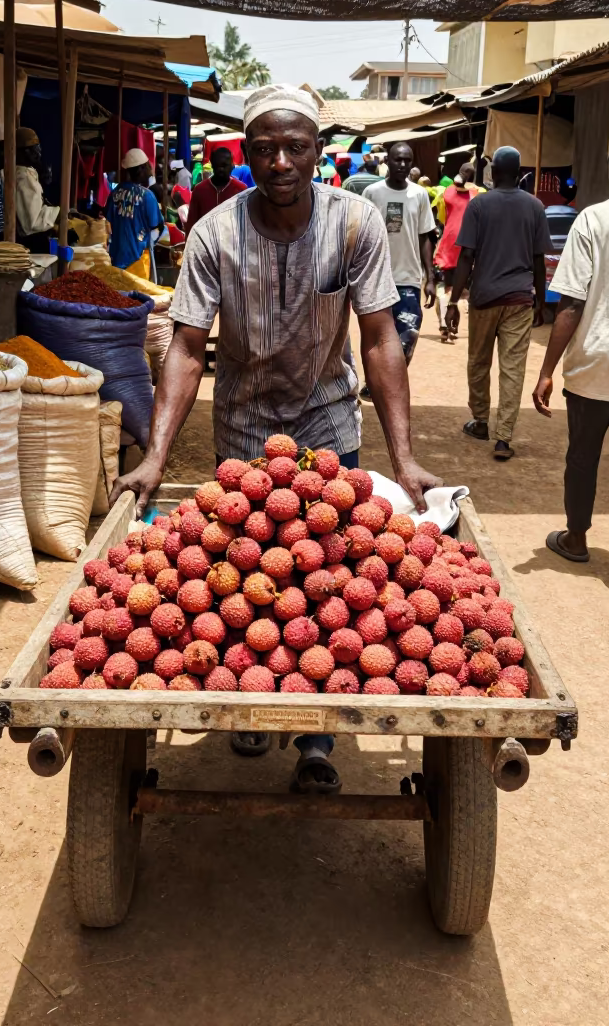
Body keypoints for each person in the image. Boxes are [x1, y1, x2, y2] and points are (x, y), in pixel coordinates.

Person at [111, 82, 439, 793]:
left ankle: (318, 737)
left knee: (328, 584)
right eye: (264, 149)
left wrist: (404, 459)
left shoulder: (356, 224)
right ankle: (250, 705)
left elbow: (381, 339)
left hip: (326, 425)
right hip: (245, 428)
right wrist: (155, 457)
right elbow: (187, 349)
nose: (281, 161)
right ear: (248, 156)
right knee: (243, 579)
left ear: (318, 152)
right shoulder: (216, 234)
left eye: (296, 147)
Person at [533, 127, 609, 601]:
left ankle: (576, 537)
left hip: (594, 364)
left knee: (583, 457)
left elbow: (570, 303)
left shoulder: (593, 219)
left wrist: (548, 369)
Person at [446, 146, 551, 460]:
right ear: (519, 172)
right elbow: (539, 260)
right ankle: (503, 438)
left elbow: (466, 256)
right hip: (519, 299)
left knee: (478, 362)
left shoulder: (479, 205)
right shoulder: (534, 206)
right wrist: (541, 303)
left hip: (484, 298)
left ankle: (480, 421)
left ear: (492, 173)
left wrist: (453, 301)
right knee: (513, 369)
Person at [362, 141, 436, 364]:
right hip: (377, 280)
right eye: (398, 159)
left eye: (407, 160)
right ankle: (376, 386)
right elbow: (361, 236)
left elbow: (425, 237)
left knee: (407, 337)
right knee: (378, 340)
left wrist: (430, 277)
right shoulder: (372, 193)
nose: (402, 164)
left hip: (409, 280)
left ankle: (389, 385)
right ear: (387, 161)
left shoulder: (419, 194)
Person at [433, 166, 480, 343]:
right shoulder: (478, 194)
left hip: (450, 246)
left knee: (447, 288)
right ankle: (454, 325)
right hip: (468, 247)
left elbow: (442, 218)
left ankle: (445, 326)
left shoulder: (446, 192)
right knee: (465, 291)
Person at [105, 147, 164, 278]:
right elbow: (157, 226)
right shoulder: (147, 196)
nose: (150, 169)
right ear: (141, 169)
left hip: (115, 260)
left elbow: (107, 223)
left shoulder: (113, 194)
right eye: (148, 166)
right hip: (139, 262)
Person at [185, 145, 245, 235]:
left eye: (224, 165)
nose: (221, 169)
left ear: (232, 166)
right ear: (212, 165)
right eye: (218, 165)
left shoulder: (241, 190)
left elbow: (245, 222)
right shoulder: (199, 190)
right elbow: (192, 223)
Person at [15, 127, 59, 251]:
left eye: (38, 148)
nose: (38, 153)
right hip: (30, 244)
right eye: (34, 150)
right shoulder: (22, 177)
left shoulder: (28, 172)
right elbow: (31, 223)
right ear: (23, 152)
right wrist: (58, 214)